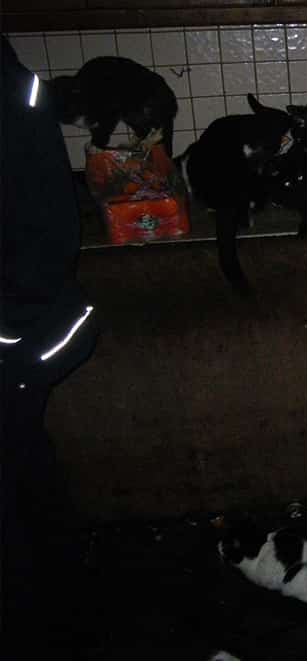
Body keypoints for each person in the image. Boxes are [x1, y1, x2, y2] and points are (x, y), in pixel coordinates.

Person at [1, 35, 99, 658]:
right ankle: (61, 615)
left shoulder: (12, 96)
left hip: (17, 332)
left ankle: (39, 624)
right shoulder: (17, 91)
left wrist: (11, 335)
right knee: (25, 471)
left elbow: (45, 229)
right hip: (23, 331)